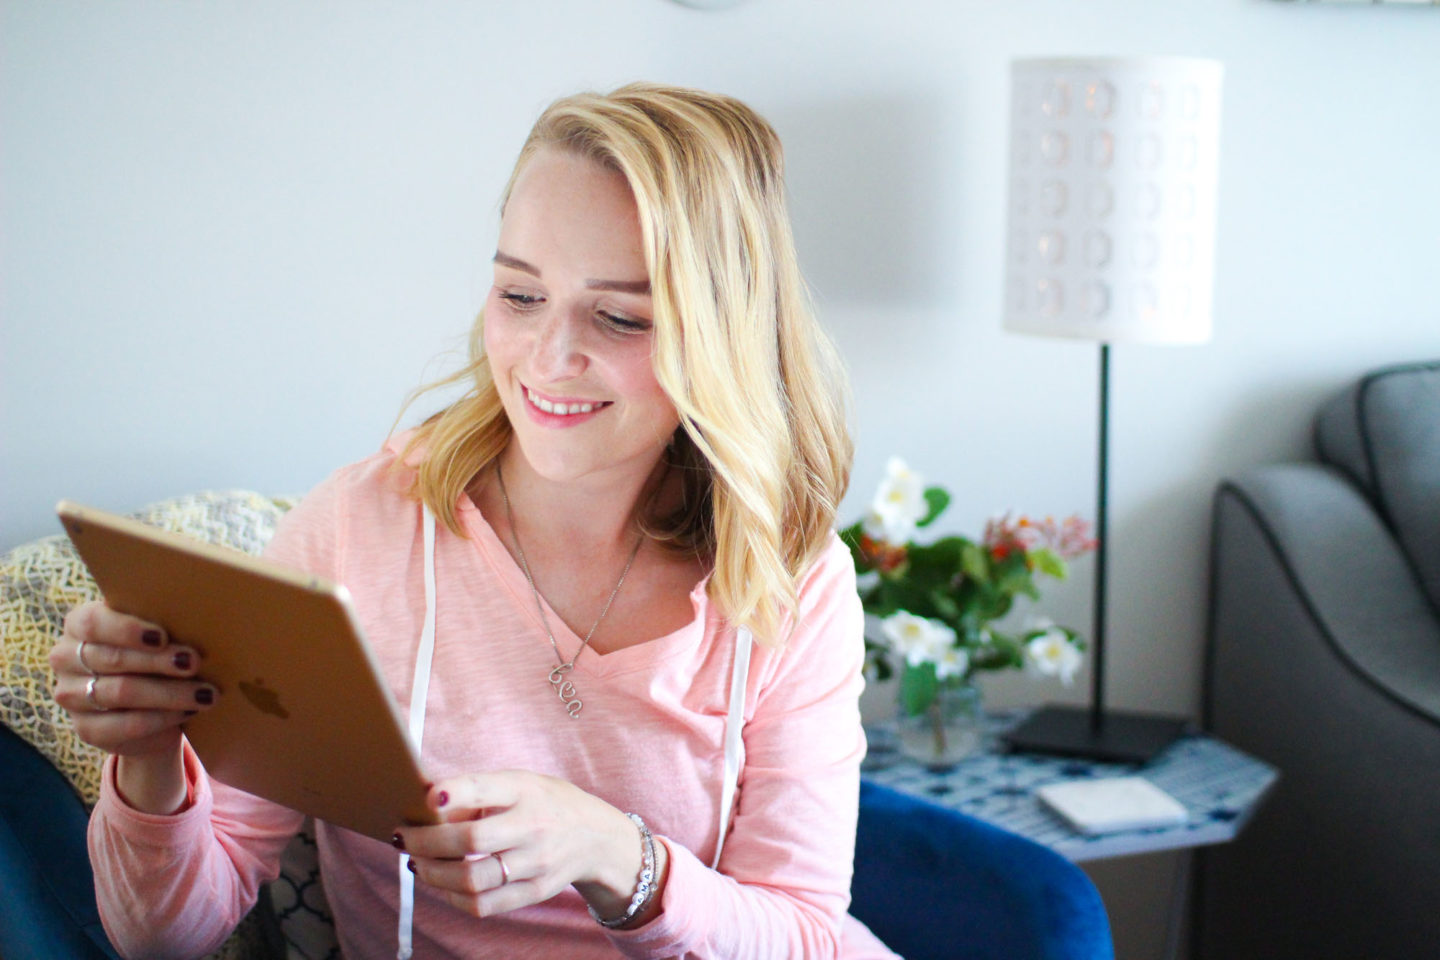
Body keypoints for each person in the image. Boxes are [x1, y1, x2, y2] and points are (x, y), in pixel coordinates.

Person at [50, 83, 897, 959]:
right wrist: (149, 761)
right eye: (520, 296)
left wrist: (615, 855)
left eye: (619, 316)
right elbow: (162, 940)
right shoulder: (359, 532)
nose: (549, 358)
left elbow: (804, 932)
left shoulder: (795, 580)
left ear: (723, 332)